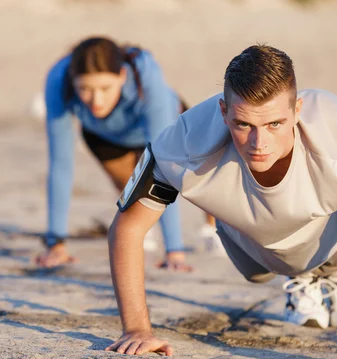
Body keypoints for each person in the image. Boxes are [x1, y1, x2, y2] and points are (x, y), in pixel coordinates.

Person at [105, 44, 337, 359]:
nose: (258, 143)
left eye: (275, 124)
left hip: (333, 230)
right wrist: (136, 330)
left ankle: (336, 273)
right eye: (243, 125)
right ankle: (303, 276)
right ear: (223, 112)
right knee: (257, 273)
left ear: (297, 110)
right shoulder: (184, 140)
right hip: (251, 241)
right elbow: (127, 229)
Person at [36, 36, 221, 270]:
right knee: (133, 188)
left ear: (122, 76)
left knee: (196, 176)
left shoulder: (146, 74)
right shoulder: (58, 80)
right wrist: (56, 245)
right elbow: (60, 164)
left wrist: (174, 251)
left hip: (167, 123)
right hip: (105, 136)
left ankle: (212, 228)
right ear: (73, 80)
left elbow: (162, 165)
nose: (96, 101)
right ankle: (145, 228)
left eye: (105, 88)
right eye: (84, 89)